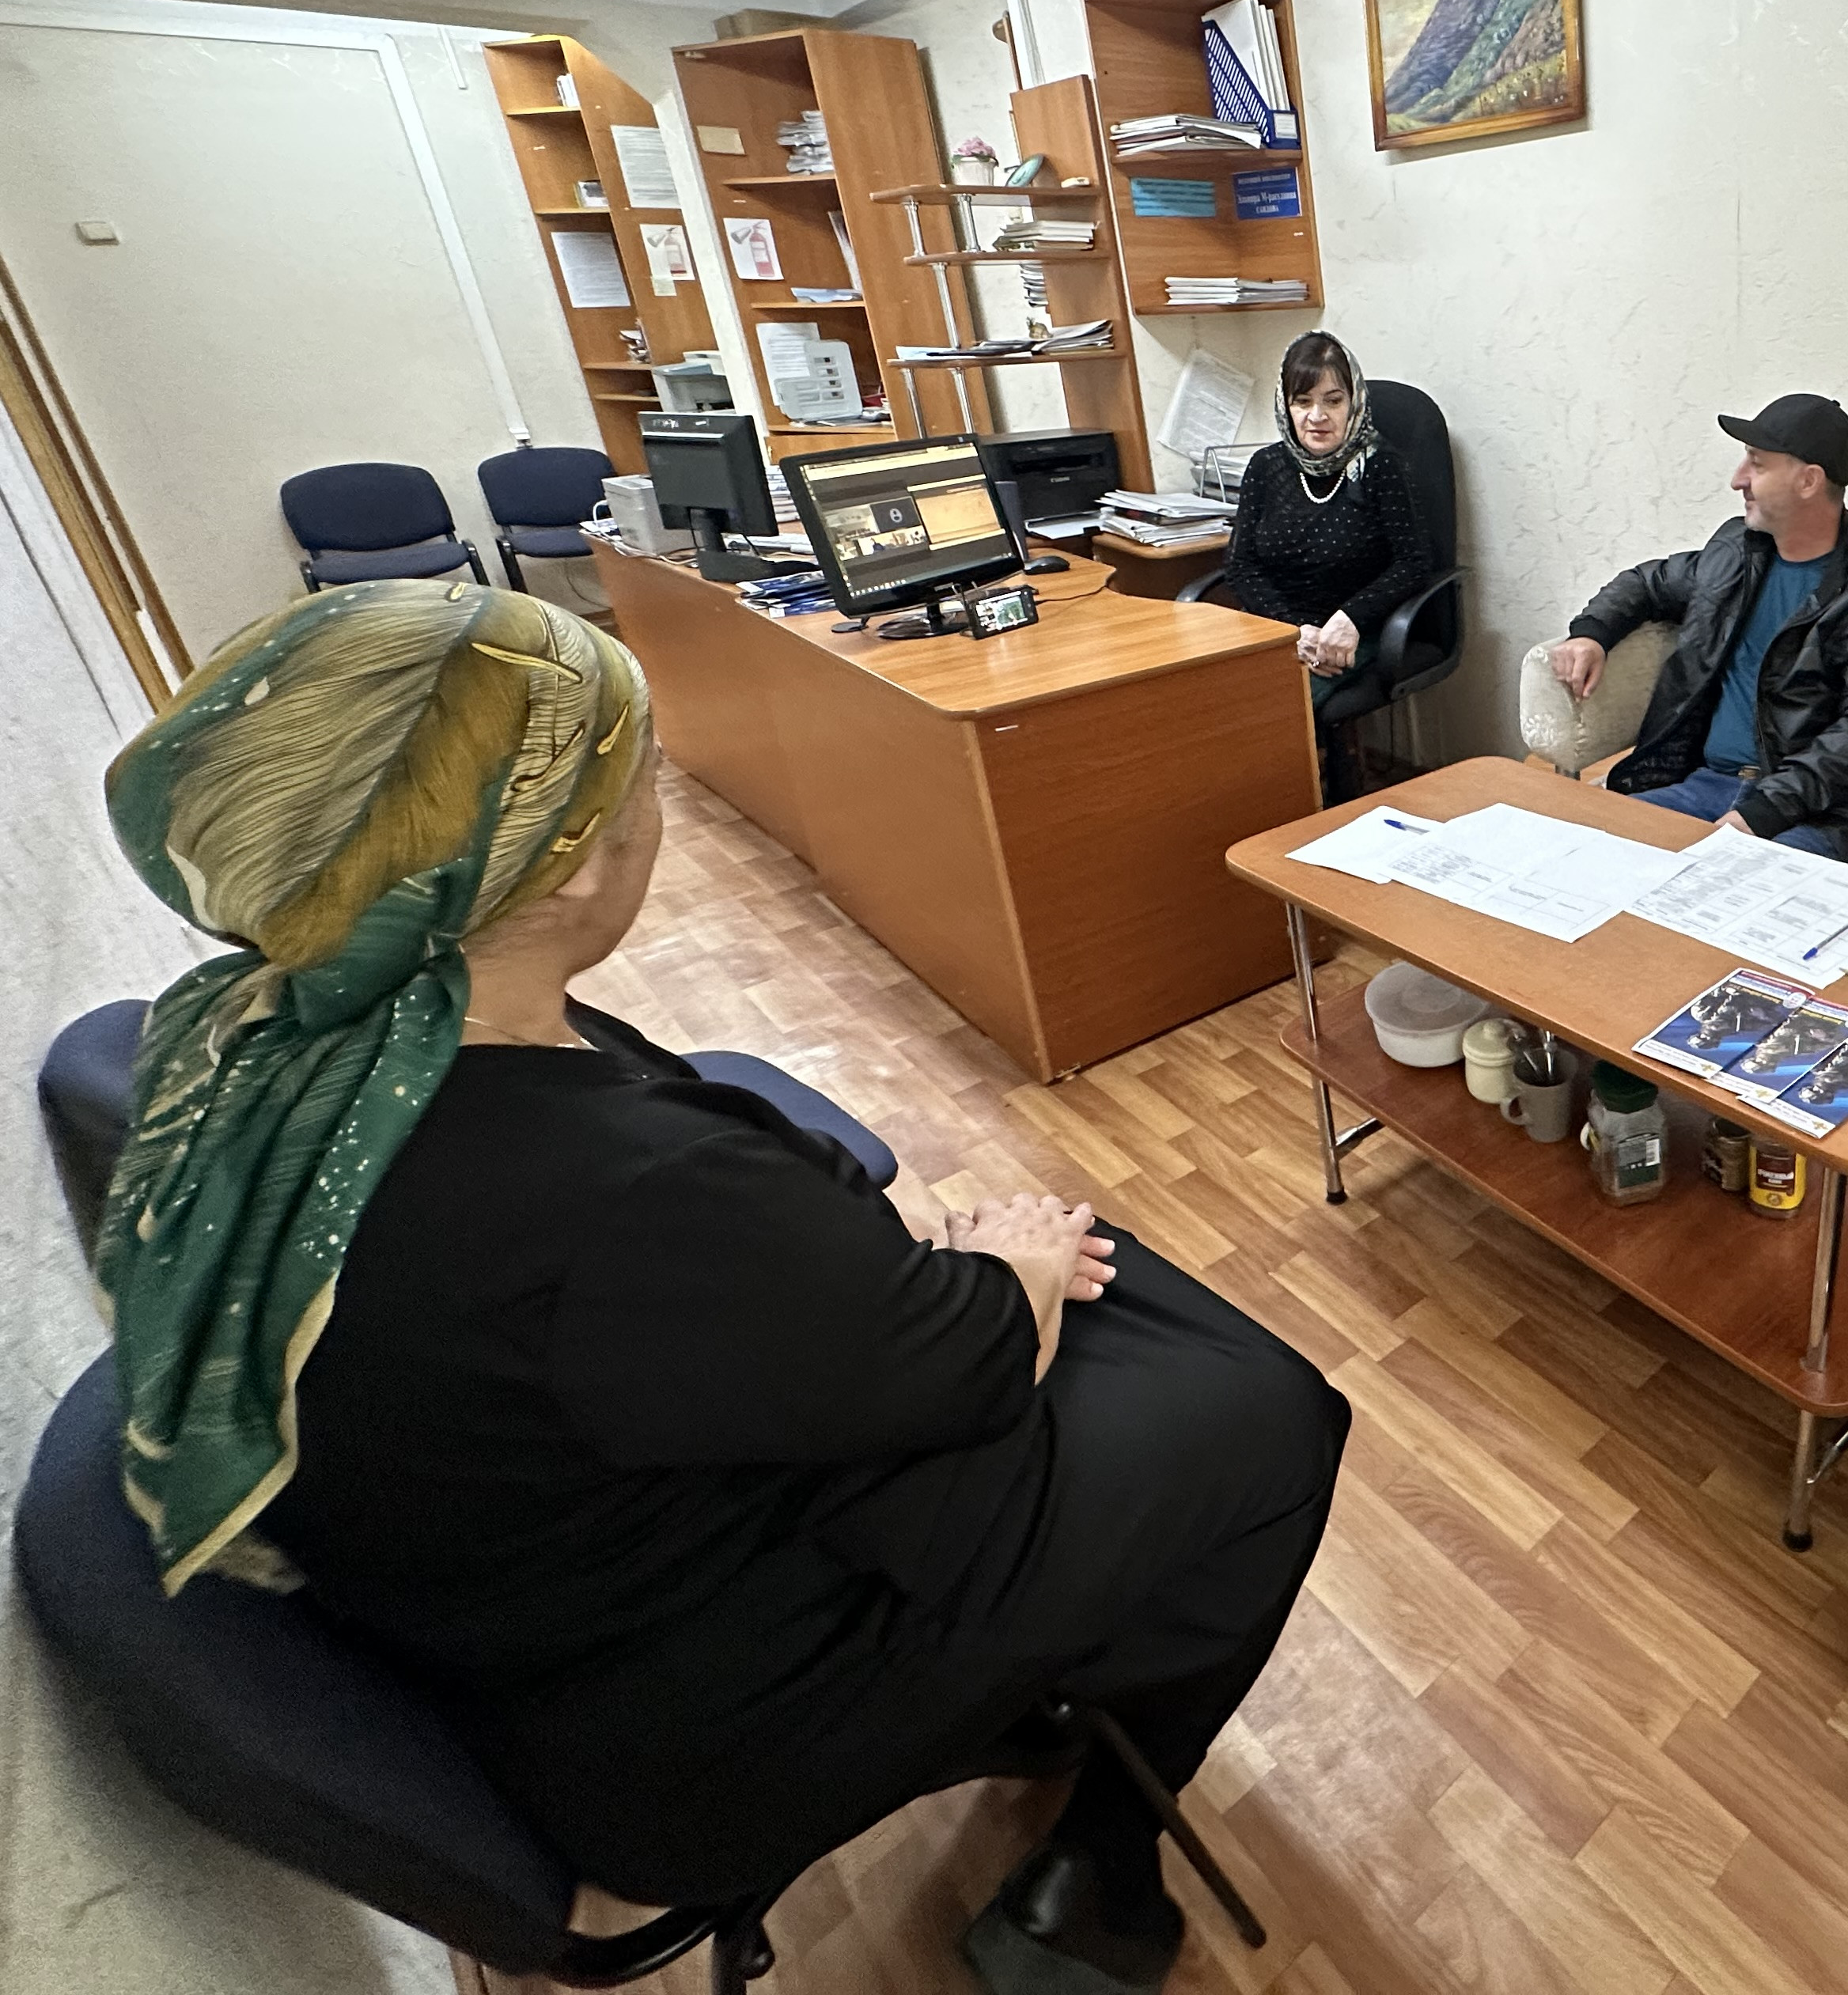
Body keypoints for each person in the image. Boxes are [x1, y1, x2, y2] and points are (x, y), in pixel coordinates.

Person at [97, 579, 1346, 1994]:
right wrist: (1015, 1263)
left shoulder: (255, 1018)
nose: (656, 807)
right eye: (636, 780)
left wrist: (918, 1259)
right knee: (1271, 1408)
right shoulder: (615, 1191)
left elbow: (725, 1240)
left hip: (545, 1579)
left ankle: (1048, 1685)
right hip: (698, 1721)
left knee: (1134, 1323)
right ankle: (1105, 1854)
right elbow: (971, 1358)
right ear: (564, 866)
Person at [1547, 392, 1848, 866]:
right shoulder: (1738, 550)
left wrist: (1760, 813)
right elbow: (1647, 583)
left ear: (1809, 481)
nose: (1738, 480)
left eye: (1757, 464)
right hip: (1706, 784)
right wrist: (1591, 634)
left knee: (1721, 891)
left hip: (1824, 815)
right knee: (1576, 855)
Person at [1218, 331, 1434, 801]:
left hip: (1359, 630)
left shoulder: (1380, 468)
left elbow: (1414, 563)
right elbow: (1241, 565)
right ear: (1286, 405)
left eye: (1333, 401)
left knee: (1279, 713)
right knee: (1209, 702)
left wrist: (1348, 620)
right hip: (1283, 631)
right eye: (1303, 401)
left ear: (1353, 403)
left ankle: (1304, 821)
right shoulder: (1266, 467)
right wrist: (1292, 630)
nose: (1317, 416)